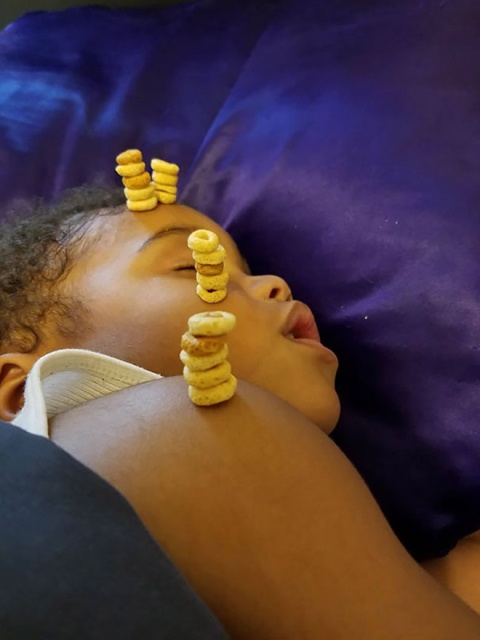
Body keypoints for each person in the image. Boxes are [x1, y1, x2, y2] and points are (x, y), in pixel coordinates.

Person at [0, 186, 479, 639]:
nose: (274, 284)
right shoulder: (177, 420)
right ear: (16, 391)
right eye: (193, 267)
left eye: (246, 267)